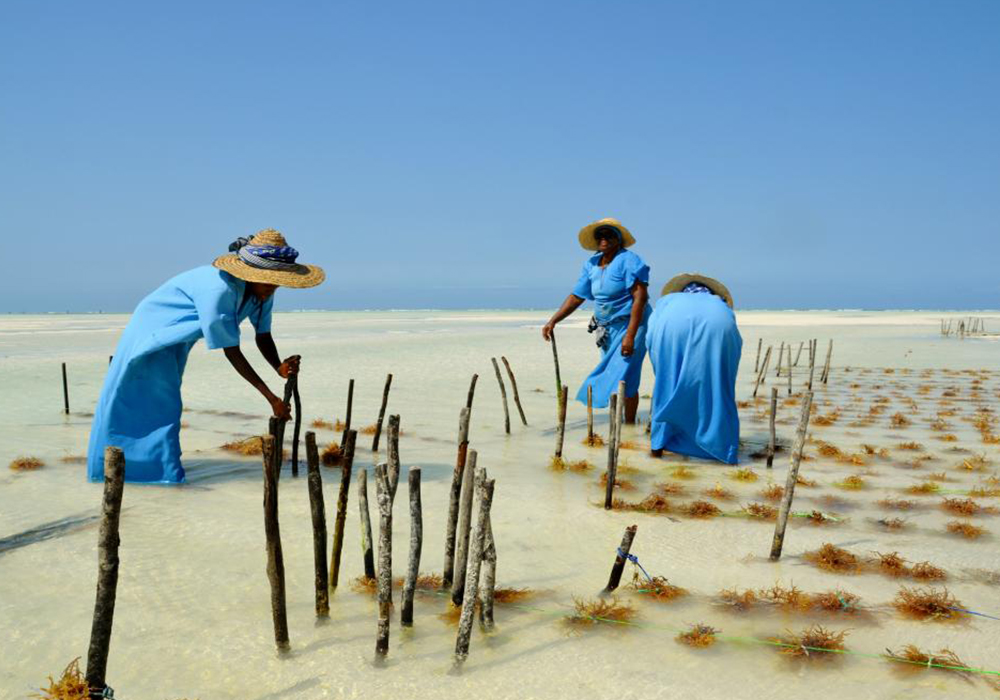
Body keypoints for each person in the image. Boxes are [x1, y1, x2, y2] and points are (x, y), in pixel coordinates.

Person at [86, 228, 324, 483]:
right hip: (153, 334)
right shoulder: (220, 291)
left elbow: (262, 335)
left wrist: (278, 367)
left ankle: (150, 475)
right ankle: (146, 476)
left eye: (277, 283)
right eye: (268, 282)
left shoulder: (263, 292)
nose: (272, 288)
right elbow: (232, 351)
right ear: (252, 275)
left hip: (179, 339)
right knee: (147, 402)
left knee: (159, 402)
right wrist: (272, 398)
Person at [542, 218, 651, 423]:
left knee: (624, 374)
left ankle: (627, 425)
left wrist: (630, 336)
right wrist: (553, 321)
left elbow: (640, 298)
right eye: (599, 235)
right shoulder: (591, 264)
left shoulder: (629, 260)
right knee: (617, 375)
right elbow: (577, 297)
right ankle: (621, 424)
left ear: (618, 239)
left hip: (633, 325)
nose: (603, 238)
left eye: (609, 234)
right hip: (606, 330)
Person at [646, 273, 742, 464]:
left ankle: (658, 446)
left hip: (672, 323)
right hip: (719, 323)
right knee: (717, 385)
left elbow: (651, 339)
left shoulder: (668, 301)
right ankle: (722, 449)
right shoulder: (718, 303)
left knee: (667, 384)